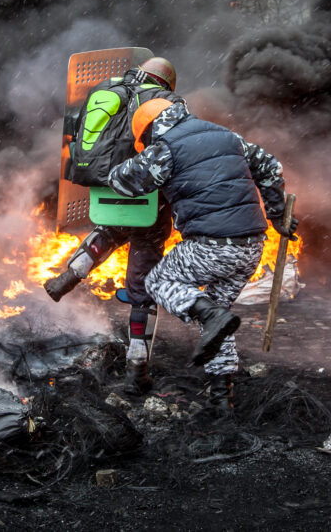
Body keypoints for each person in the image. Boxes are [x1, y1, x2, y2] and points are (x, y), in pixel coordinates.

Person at [107, 98, 297, 416]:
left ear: (150, 130)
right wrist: (277, 215)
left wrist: (117, 161)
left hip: (211, 246)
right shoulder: (227, 136)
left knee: (157, 281)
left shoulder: (162, 149)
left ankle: (209, 315)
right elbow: (270, 167)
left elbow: (123, 182)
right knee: (217, 323)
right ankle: (222, 399)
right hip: (251, 247)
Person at [44, 57, 180, 396]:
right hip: (147, 198)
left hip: (105, 191)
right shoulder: (167, 102)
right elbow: (176, 150)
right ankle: (138, 367)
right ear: (165, 82)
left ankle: (72, 272)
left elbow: (75, 137)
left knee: (110, 229)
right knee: (143, 278)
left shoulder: (107, 90)